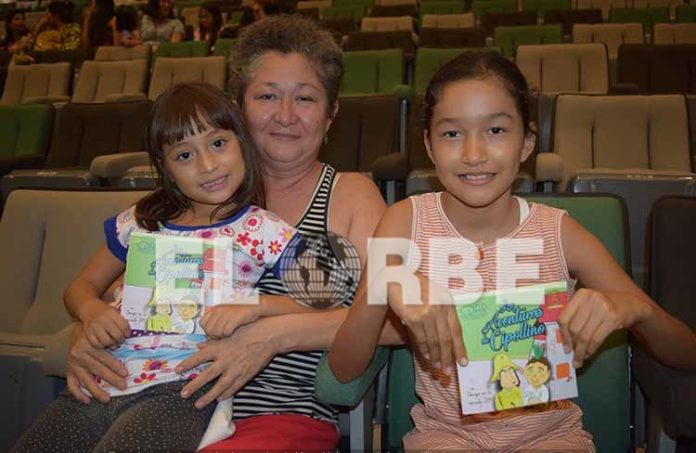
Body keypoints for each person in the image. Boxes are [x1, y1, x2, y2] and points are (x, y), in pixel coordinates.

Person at [329, 51, 696, 451]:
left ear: (527, 143)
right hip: (445, 439)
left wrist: (634, 308)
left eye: (497, 131)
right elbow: (344, 368)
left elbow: (686, 351)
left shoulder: (561, 233)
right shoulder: (403, 222)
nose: (473, 154)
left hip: (553, 439)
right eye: (452, 134)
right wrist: (388, 282)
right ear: (429, 147)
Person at [60, 14, 387, 451]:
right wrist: (84, 338)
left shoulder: (355, 195)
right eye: (267, 95)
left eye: (305, 99)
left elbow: (395, 320)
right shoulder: (186, 203)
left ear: (331, 115)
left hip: (276, 414)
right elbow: (114, 299)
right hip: (149, 399)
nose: (285, 116)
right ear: (237, 108)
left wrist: (271, 335)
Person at [11, 82, 326, 453]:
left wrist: (256, 306)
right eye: (184, 155)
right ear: (165, 167)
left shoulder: (261, 228)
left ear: (242, 141)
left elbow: (322, 296)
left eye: (218, 143)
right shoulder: (142, 220)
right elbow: (80, 286)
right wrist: (91, 311)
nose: (208, 165)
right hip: (103, 378)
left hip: (183, 388)